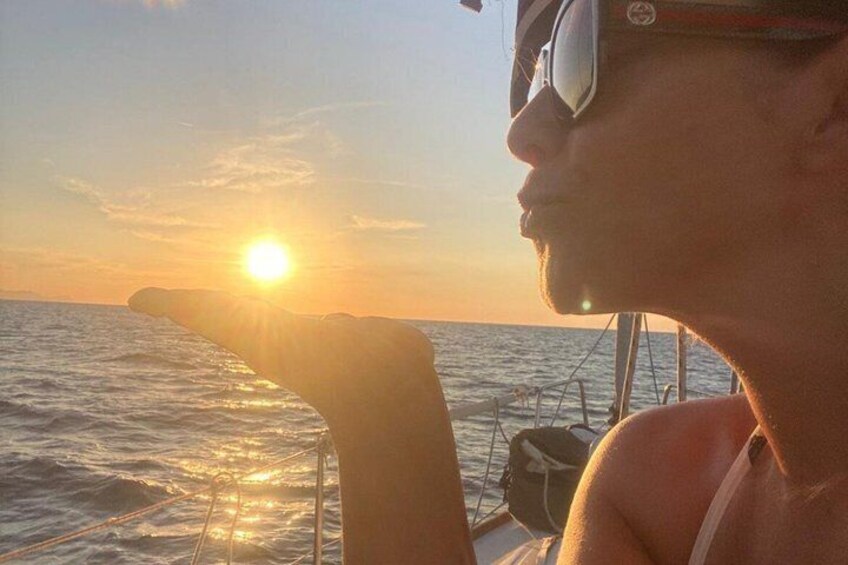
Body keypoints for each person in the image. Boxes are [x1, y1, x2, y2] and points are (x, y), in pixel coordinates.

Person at [129, 0, 848, 563]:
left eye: (577, 44)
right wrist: (383, 415)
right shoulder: (650, 481)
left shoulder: (664, 487)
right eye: (532, 82)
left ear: (835, 104)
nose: (522, 134)